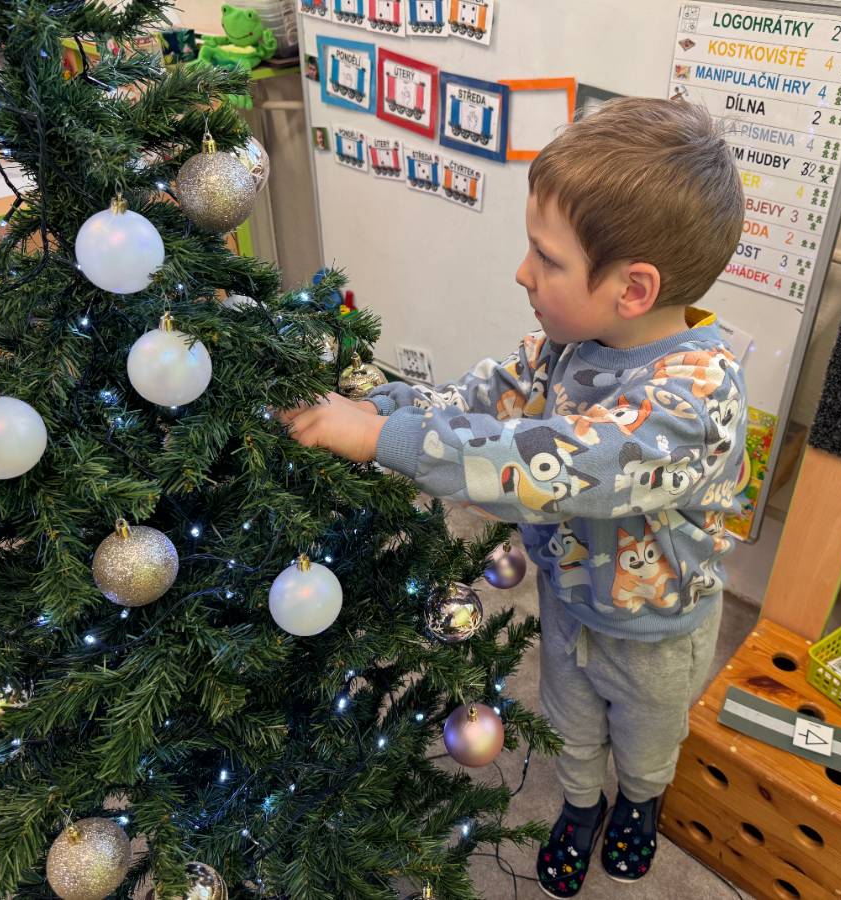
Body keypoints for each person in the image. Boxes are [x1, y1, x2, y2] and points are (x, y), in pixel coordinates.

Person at [280, 98, 747, 898]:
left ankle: (639, 805)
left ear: (633, 288)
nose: (522, 273)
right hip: (569, 601)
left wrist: (378, 439)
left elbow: (547, 465)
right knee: (570, 723)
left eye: (546, 257)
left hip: (656, 635)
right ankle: (580, 806)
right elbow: (475, 402)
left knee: (645, 742)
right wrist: (378, 407)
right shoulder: (563, 345)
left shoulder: (694, 401)